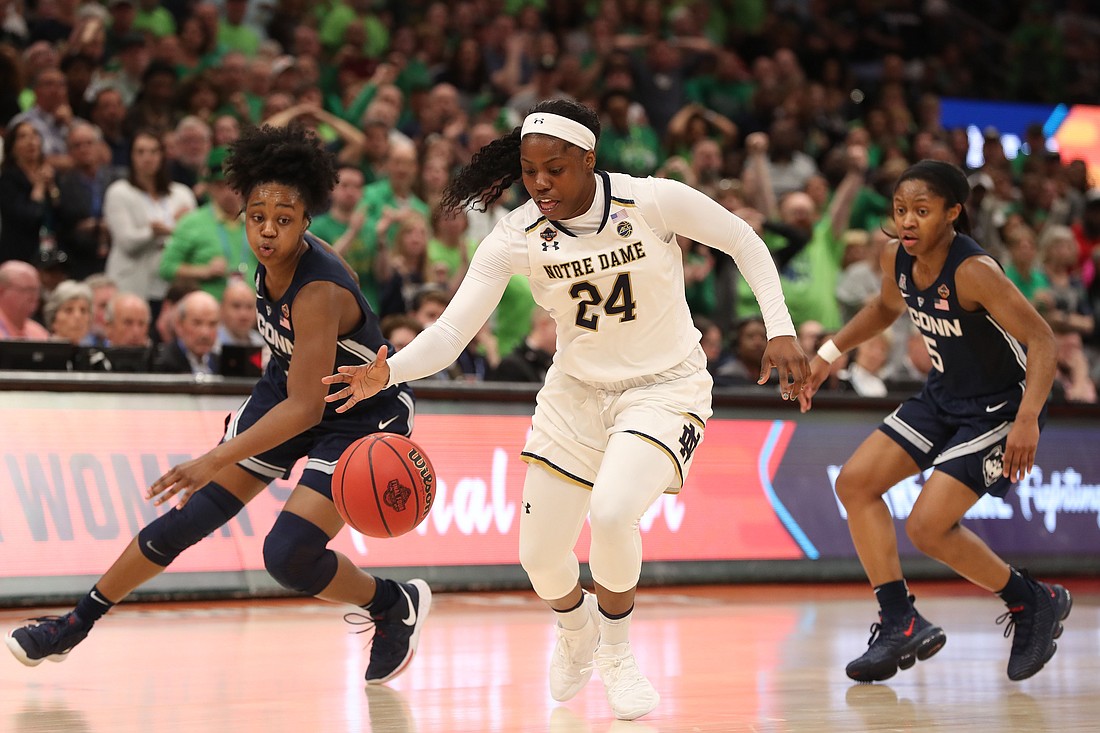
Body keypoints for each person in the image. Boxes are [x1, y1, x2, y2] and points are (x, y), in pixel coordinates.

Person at [321, 99, 806, 720]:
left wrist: (780, 328)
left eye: (555, 169)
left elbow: (743, 239)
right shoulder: (515, 235)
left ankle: (618, 651)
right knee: (541, 558)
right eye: (529, 171)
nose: (541, 184)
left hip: (664, 387)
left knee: (611, 513)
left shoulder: (650, 200)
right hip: (575, 395)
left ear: (589, 159)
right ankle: (575, 626)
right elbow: (450, 334)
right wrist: (386, 371)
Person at [6, 123, 432, 687]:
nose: (268, 230)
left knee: (288, 555)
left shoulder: (318, 288)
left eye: (285, 219)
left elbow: (308, 408)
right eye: (258, 216)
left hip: (356, 411)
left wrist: (215, 457)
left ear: (308, 222)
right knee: (186, 521)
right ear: (243, 213)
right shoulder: (265, 260)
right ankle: (74, 625)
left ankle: (391, 603)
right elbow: (295, 391)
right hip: (289, 389)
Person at [798, 160, 1072, 684]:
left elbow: (1042, 340)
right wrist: (829, 353)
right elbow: (884, 309)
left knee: (927, 527)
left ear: (952, 213)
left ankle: (1030, 601)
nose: (907, 221)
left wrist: (1029, 419)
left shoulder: (974, 272)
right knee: (855, 484)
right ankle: (900, 620)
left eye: (921, 211)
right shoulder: (894, 257)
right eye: (901, 210)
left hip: (999, 407)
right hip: (942, 395)